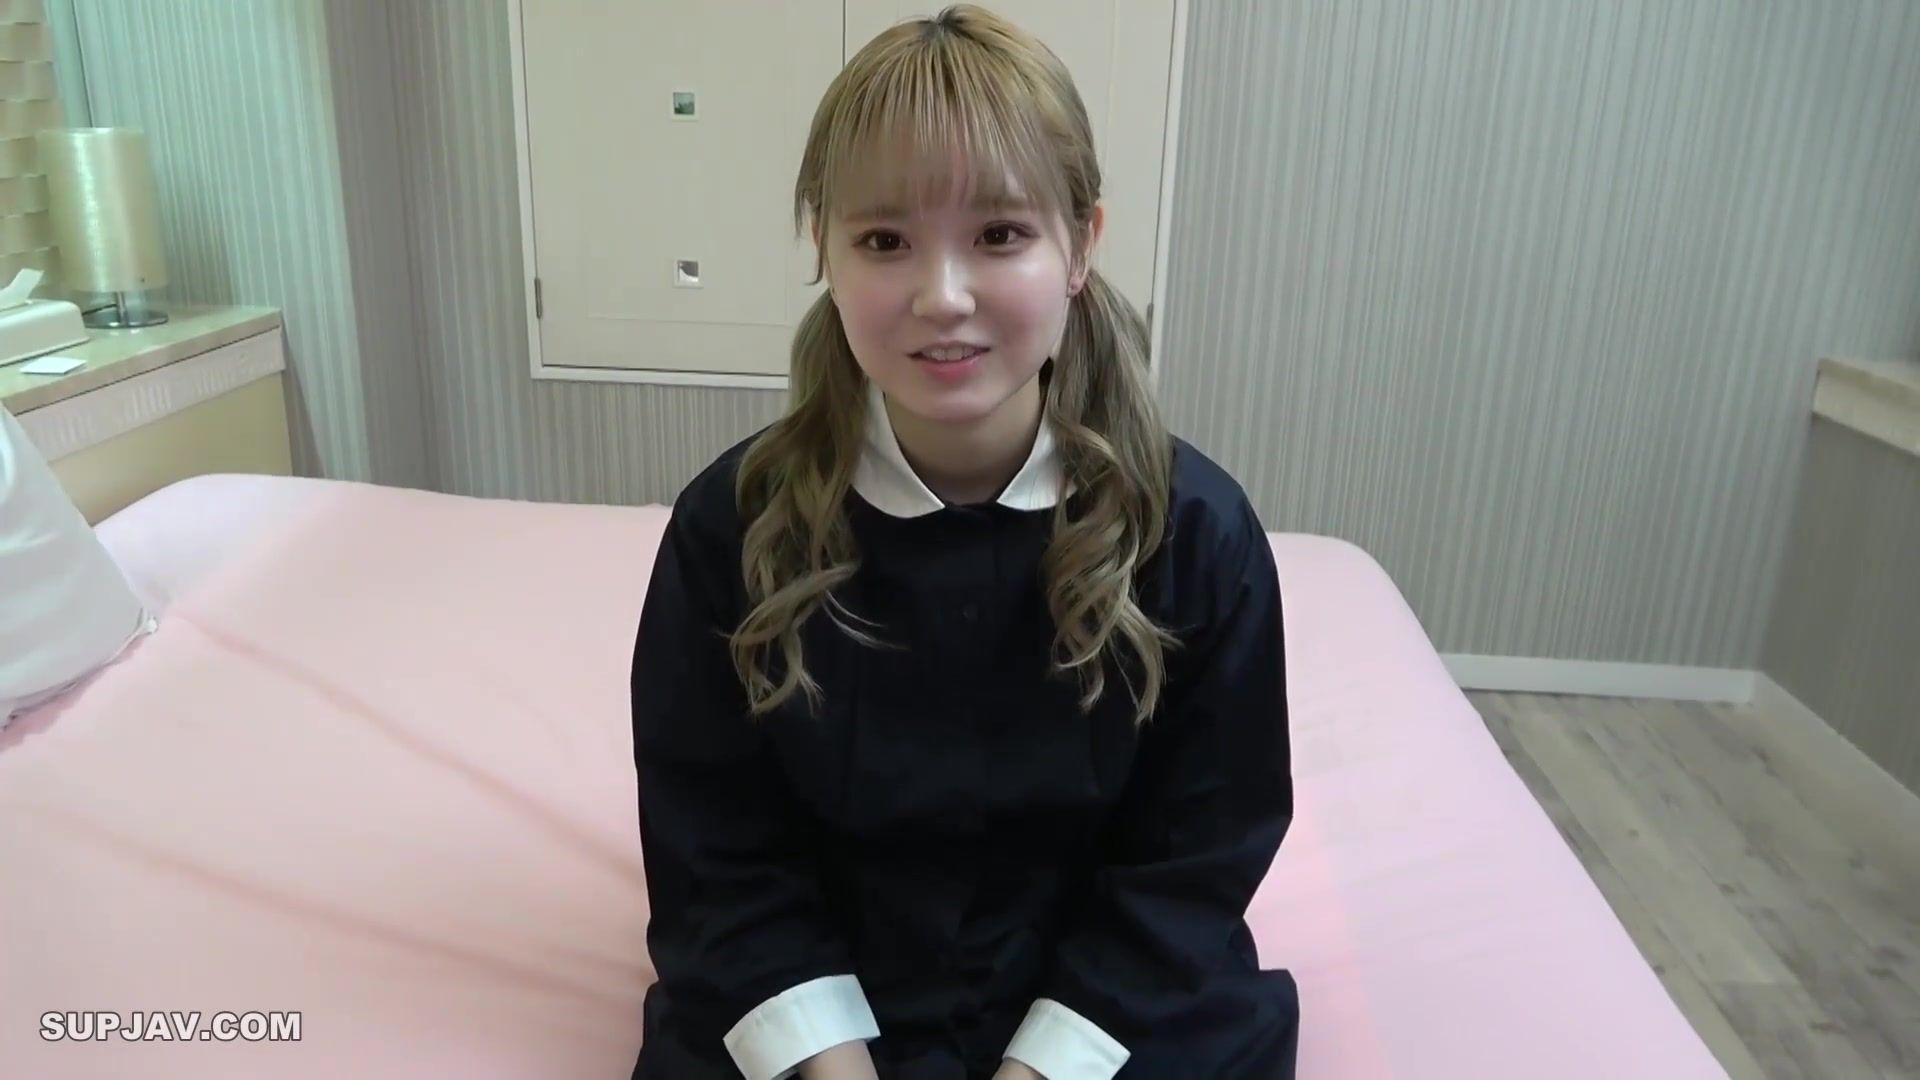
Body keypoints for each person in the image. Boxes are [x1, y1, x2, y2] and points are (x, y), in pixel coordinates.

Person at [628, 6, 1297, 1077]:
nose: (942, 299)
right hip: (820, 990)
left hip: (1109, 1001)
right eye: (884, 241)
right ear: (824, 249)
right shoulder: (732, 529)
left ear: (1082, 243)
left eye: (999, 236)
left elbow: (1195, 853)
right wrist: (832, 1064)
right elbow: (717, 846)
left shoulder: (1195, 536)